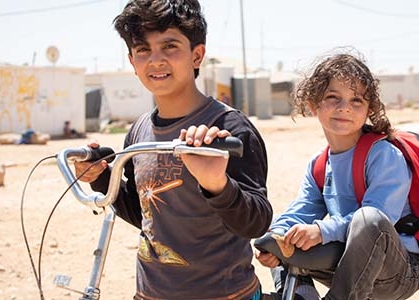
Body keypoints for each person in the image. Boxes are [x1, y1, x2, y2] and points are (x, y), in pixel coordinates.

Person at [73, 1, 272, 299]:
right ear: (132, 61)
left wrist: (217, 185)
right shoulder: (139, 132)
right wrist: (101, 178)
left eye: (169, 46)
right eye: (143, 50)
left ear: (197, 55)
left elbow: (256, 222)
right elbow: (148, 217)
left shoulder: (228, 128)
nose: (156, 60)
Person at [255, 53, 419, 300]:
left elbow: (379, 219)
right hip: (347, 264)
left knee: (368, 219)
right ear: (313, 104)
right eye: (333, 97)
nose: (344, 107)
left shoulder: (384, 155)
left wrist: (321, 231)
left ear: (369, 110)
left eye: (356, 100)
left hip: (396, 271)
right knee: (282, 232)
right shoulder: (319, 165)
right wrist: (273, 237)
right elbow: (301, 210)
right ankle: (302, 295)